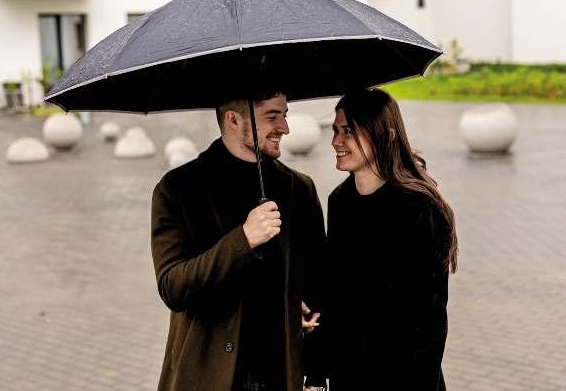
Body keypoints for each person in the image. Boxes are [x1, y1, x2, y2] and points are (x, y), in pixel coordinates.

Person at [150, 88, 326, 391]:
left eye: (284, 115)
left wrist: (315, 372)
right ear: (233, 120)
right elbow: (173, 287)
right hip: (207, 377)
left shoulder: (299, 189)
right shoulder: (178, 190)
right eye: (272, 117)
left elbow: (318, 286)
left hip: (280, 376)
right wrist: (244, 239)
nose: (284, 128)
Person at [324, 88, 458, 390]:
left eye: (348, 131)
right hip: (350, 374)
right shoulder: (340, 201)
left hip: (405, 377)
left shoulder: (420, 209)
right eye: (335, 130)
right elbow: (336, 295)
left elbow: (430, 322)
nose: (336, 141)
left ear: (385, 135)